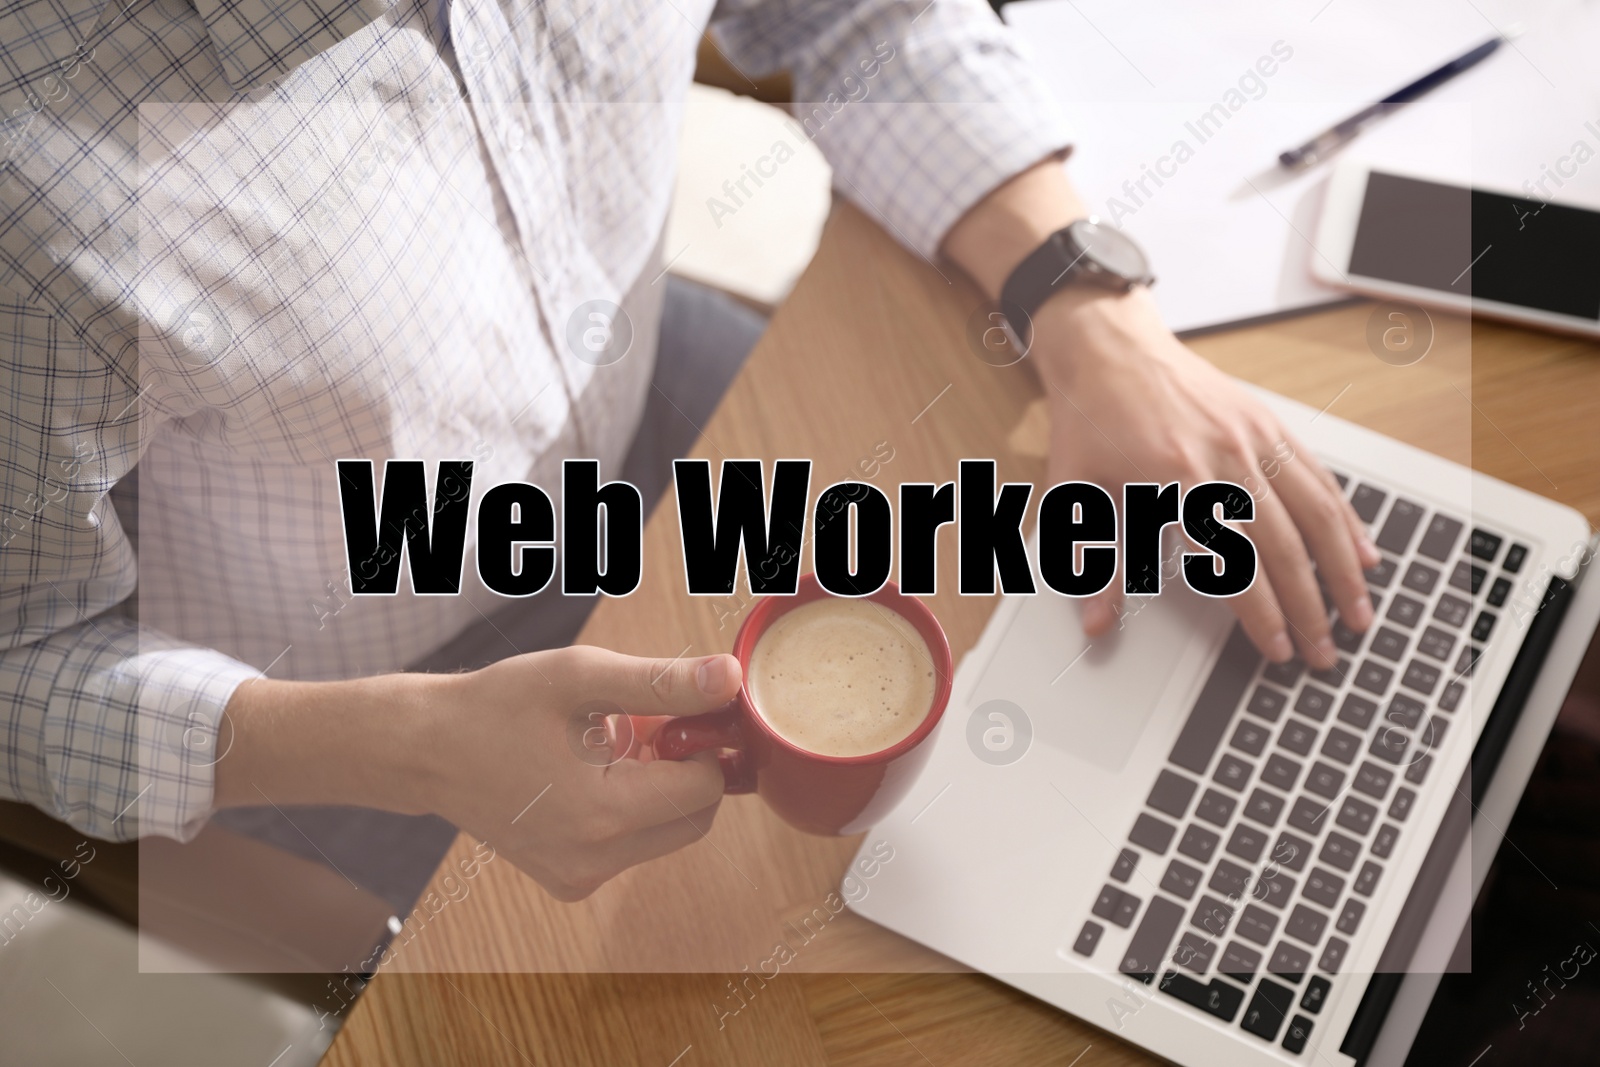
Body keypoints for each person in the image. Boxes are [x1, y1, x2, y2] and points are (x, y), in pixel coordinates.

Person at [0, 0, 1377, 904]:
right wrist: (411, 752)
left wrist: (1083, 304)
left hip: (663, 397)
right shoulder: (29, 170)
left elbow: (856, 14)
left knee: (1089, 779)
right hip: (363, 694)